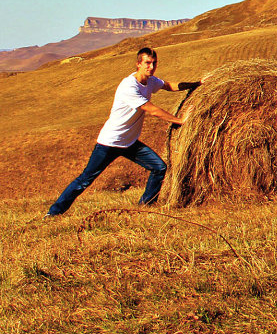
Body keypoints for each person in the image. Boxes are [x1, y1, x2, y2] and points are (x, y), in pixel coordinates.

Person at [46, 47, 201, 216]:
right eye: (147, 63)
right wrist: (180, 121)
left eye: (154, 63)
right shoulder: (129, 86)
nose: (151, 67)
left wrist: (196, 84)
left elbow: (169, 85)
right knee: (85, 180)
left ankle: (145, 206)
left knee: (159, 168)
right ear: (138, 64)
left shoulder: (150, 81)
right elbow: (152, 109)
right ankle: (53, 213)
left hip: (130, 143)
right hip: (110, 142)